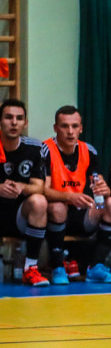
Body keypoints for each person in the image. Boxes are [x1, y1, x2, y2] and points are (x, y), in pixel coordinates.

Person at [40, 106, 111, 284]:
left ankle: (96, 267)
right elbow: (43, 190)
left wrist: (105, 190)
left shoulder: (89, 151)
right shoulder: (45, 149)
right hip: (53, 214)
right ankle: (57, 267)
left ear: (81, 128)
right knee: (58, 207)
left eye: (74, 126)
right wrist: (69, 197)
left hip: (82, 214)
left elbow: (98, 182)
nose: (70, 132)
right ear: (55, 128)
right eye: (64, 126)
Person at [0, 98, 51, 287]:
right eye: (8, 117)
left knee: (39, 201)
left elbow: (39, 187)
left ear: (25, 123)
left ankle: (31, 269)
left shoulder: (34, 148)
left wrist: (22, 187)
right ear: (0, 121)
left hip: (19, 215)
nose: (14, 122)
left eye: (19, 118)